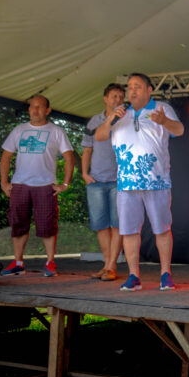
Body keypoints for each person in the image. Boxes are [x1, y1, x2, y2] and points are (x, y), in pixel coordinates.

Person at [95, 73, 184, 291]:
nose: (132, 91)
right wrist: (110, 119)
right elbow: (99, 136)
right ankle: (134, 276)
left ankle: (165, 274)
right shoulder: (120, 114)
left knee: (161, 229)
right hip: (126, 184)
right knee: (128, 231)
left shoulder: (161, 108)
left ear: (149, 90)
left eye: (137, 86)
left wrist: (164, 121)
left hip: (157, 182)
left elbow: (180, 130)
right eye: (130, 87)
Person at [0, 95, 74, 277]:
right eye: (32, 107)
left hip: (45, 185)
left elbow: (69, 157)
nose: (35, 110)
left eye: (40, 107)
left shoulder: (56, 131)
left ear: (47, 110)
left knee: (47, 225)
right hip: (20, 185)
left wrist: (65, 183)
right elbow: (5, 157)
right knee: (18, 224)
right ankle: (18, 263)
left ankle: (49, 263)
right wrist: (4, 182)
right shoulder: (19, 130)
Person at [82, 83, 125, 282]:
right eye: (113, 96)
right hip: (96, 179)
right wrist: (84, 173)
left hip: (119, 180)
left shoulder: (126, 119)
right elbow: (87, 149)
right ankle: (107, 264)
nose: (117, 100)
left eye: (120, 97)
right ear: (105, 99)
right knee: (101, 225)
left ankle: (111, 266)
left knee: (117, 225)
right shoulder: (94, 121)